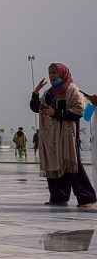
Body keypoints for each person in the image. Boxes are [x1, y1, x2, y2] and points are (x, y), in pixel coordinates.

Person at [30, 63, 95, 210]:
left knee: (72, 166)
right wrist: (35, 93)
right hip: (51, 136)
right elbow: (36, 108)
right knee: (54, 166)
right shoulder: (49, 93)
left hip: (68, 136)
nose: (51, 76)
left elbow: (79, 112)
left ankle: (86, 197)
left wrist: (56, 113)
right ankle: (59, 197)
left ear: (62, 73)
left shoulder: (73, 91)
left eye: (54, 73)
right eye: (50, 73)